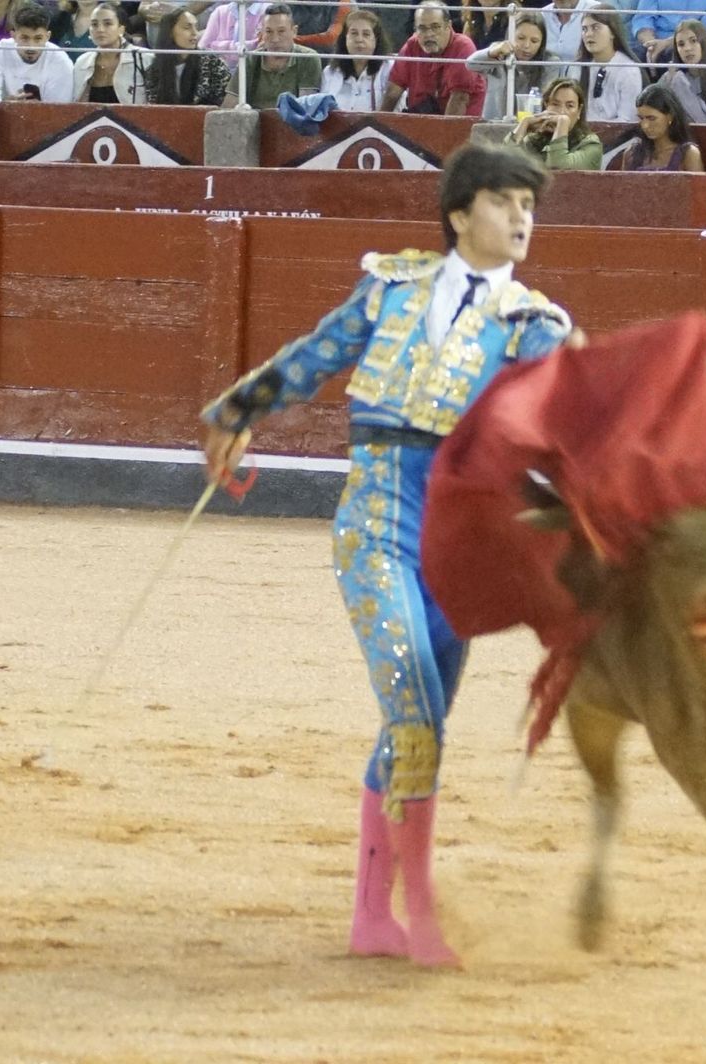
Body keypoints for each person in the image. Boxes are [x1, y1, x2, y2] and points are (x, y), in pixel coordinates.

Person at [198, 143, 576, 969]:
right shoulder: (391, 287)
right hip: (377, 511)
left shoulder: (535, 327)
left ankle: (375, 911)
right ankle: (414, 912)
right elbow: (316, 355)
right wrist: (235, 411)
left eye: (529, 206)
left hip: (464, 537)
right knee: (412, 706)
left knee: (425, 717)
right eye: (505, 202)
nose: (521, 220)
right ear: (459, 213)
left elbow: (573, 428)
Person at [381, 1, 486, 116]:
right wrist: (377, 123)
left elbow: (460, 99)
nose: (428, 34)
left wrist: (443, 133)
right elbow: (393, 92)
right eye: (422, 28)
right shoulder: (412, 45)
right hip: (419, 124)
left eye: (435, 27)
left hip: (461, 127)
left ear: (448, 26)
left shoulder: (463, 46)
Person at [225, 4, 322, 108]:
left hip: (291, 122)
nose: (275, 39)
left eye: (281, 31)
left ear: (294, 31)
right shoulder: (250, 59)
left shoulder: (307, 58)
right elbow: (229, 105)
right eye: (269, 31)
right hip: (253, 121)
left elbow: (305, 110)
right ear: (261, 33)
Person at [465, 10, 556, 120]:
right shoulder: (498, 52)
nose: (527, 45)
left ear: (542, 42)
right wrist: (492, 52)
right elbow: (470, 64)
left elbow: (546, 100)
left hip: (533, 127)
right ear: (510, 35)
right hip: (494, 125)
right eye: (521, 38)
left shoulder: (550, 62)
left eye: (534, 41)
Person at [504, 74, 602, 169]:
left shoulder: (590, 144)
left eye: (570, 106)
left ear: (579, 111)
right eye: (555, 104)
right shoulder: (534, 139)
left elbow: (558, 167)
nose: (562, 112)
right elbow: (506, 162)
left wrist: (563, 123)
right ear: (546, 105)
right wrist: (524, 123)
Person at [0, 2, 78, 101]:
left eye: (38, 38)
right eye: (25, 38)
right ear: (13, 36)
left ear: (47, 36)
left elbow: (61, 110)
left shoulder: (61, 61)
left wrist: (36, 109)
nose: (31, 46)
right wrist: (7, 105)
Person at [658, 18, 706, 124]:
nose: (687, 48)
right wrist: (671, 83)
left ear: (703, 42)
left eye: (693, 41)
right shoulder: (672, 78)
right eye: (681, 44)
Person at [574, 3, 643, 123]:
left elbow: (628, 120)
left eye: (596, 27)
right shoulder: (577, 67)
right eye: (584, 29)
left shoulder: (629, 71)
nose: (589, 34)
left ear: (612, 32)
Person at [146, 8, 231, 103]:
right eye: (187, 27)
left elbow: (222, 103)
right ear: (169, 32)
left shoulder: (213, 63)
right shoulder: (154, 69)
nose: (195, 33)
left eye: (196, 27)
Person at [72, 1, 151, 102]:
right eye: (94, 24)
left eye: (107, 24)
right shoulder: (82, 63)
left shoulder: (144, 58)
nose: (100, 29)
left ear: (121, 30)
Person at [614, 83, 704, 170]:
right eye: (641, 118)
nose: (645, 125)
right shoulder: (632, 153)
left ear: (670, 116)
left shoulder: (688, 154)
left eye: (651, 118)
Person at [320, 8, 392, 111]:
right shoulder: (330, 73)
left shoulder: (389, 69)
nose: (359, 39)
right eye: (354, 33)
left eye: (366, 34)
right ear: (345, 37)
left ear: (376, 39)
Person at [629, 0, 706, 65]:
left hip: (694, 45)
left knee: (672, 57)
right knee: (628, 57)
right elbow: (643, 19)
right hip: (652, 42)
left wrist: (666, 44)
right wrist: (651, 45)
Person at [199, 1, 266, 71]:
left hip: (253, 72)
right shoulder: (220, 11)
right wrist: (240, 47)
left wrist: (216, 46)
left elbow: (257, 47)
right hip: (218, 73)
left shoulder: (267, 10)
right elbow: (203, 49)